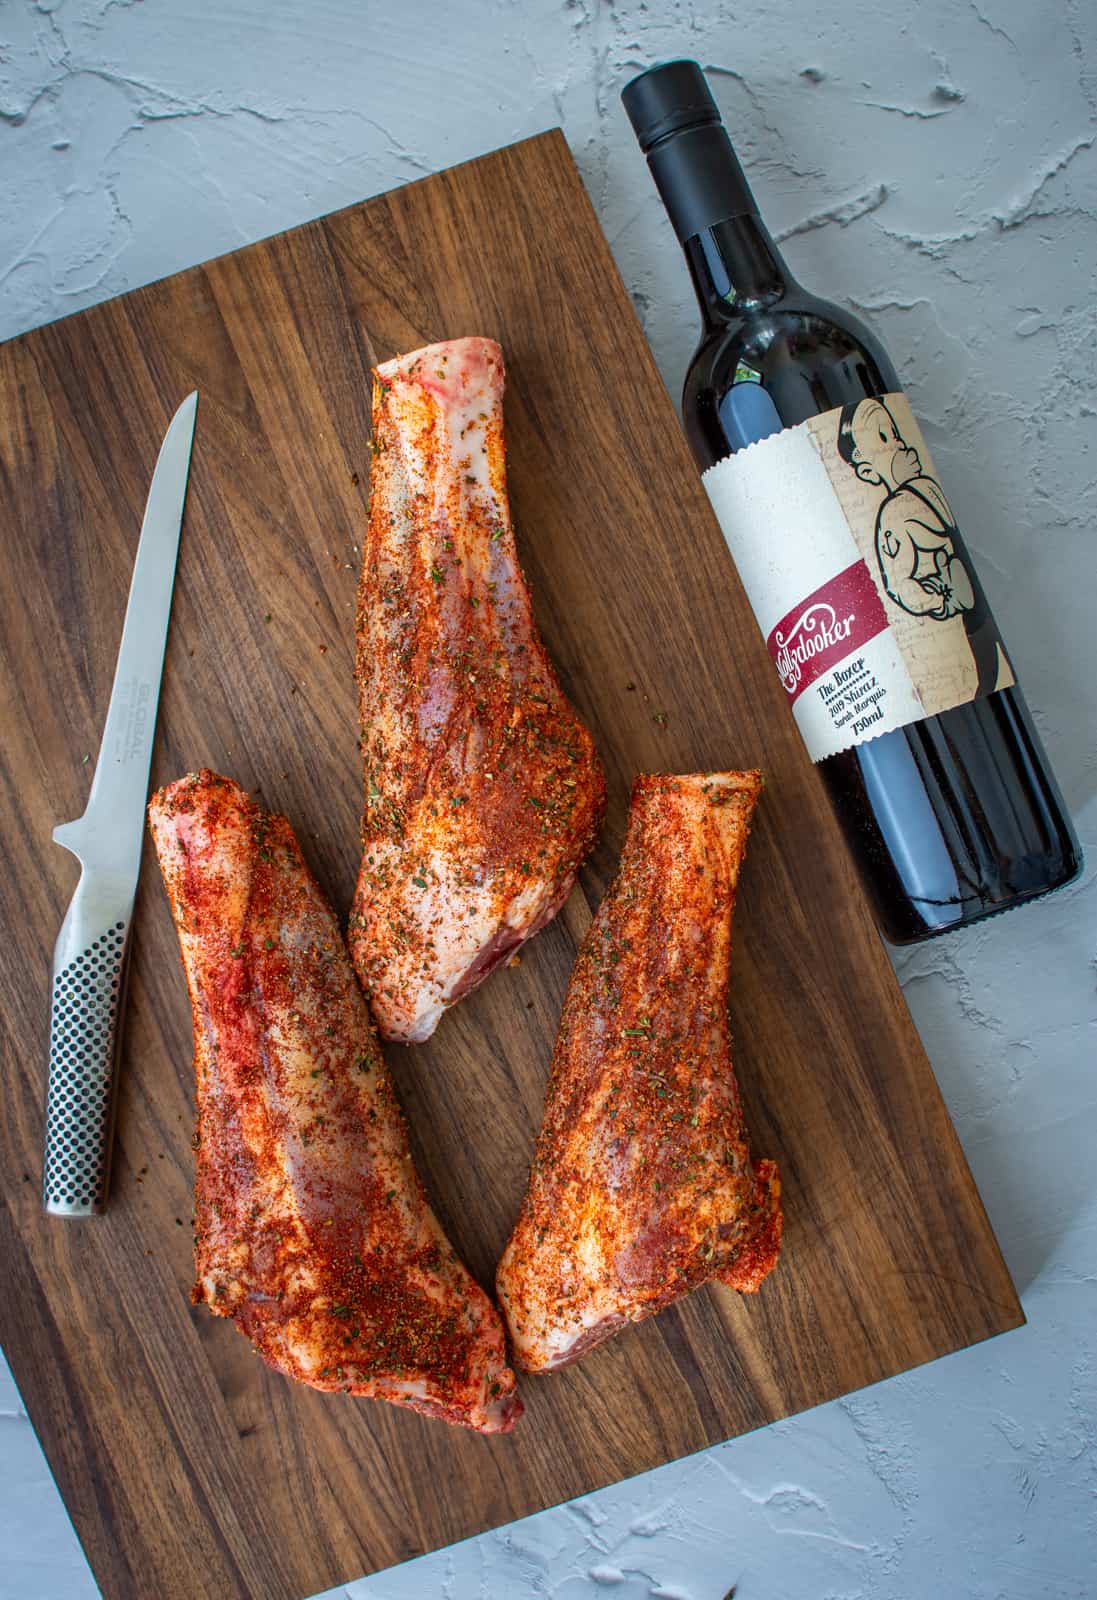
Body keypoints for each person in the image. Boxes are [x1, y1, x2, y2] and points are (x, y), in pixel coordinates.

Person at [836, 398, 1005, 694]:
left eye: (895, 433)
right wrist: (941, 602)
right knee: (981, 679)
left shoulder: (926, 488)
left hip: (981, 616)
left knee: (992, 677)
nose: (900, 445)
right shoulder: (894, 515)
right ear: (867, 472)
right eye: (883, 439)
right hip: (956, 625)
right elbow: (899, 584)